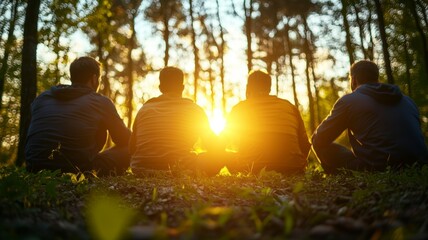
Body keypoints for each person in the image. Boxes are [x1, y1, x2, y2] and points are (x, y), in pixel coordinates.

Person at [312, 60, 428, 173]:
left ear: (354, 80)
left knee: (319, 143)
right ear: (376, 78)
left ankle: (341, 179)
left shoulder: (349, 101)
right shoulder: (408, 101)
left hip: (380, 167)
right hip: (419, 164)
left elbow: (320, 139)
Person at [25, 57, 131, 176]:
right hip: (77, 171)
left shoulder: (41, 99)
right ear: (94, 79)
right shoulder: (100, 102)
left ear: (72, 78)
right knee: (130, 148)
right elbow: (124, 139)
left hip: (35, 169)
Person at [130, 67, 220, 174]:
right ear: (182, 87)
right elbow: (213, 146)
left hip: (141, 168)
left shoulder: (144, 109)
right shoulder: (194, 110)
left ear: (160, 88)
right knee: (220, 156)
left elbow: (131, 147)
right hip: (180, 167)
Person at [222, 70, 311, 174]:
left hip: (252, 168)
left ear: (248, 87)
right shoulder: (289, 106)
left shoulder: (240, 108)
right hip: (293, 168)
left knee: (223, 155)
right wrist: (295, 163)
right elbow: (305, 144)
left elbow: (221, 142)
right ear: (269, 88)